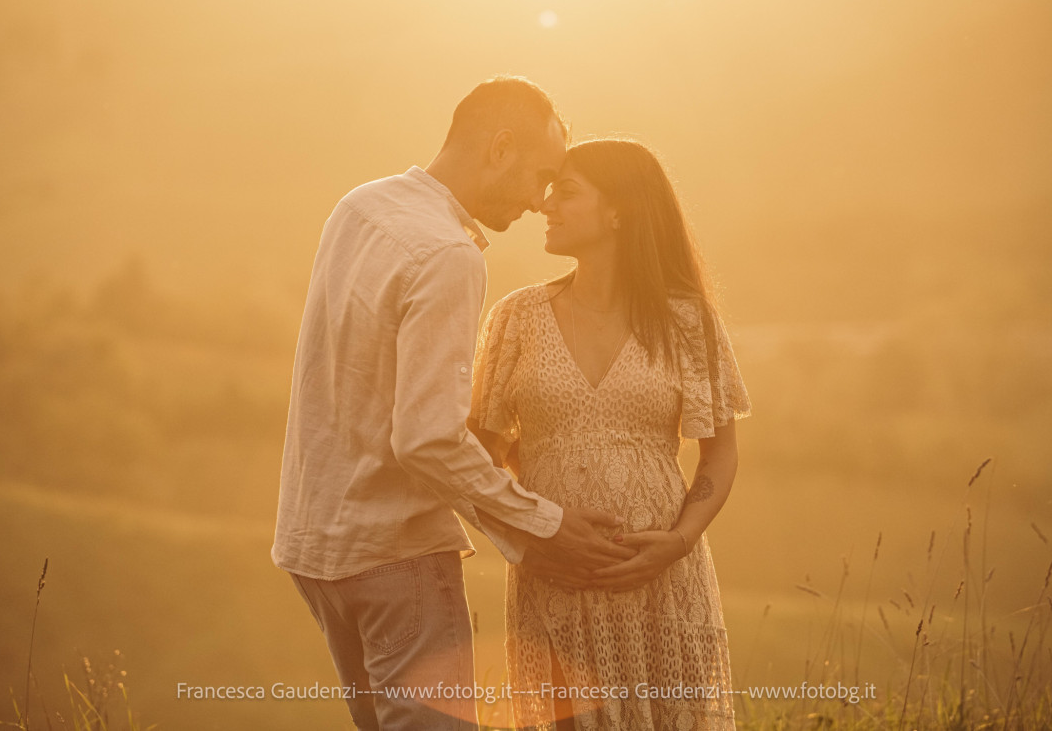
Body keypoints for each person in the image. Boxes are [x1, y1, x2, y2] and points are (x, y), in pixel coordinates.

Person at [272, 78, 634, 731]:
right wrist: (542, 522)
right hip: (393, 556)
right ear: (500, 147)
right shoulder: (447, 255)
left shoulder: (361, 206)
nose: (540, 200)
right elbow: (427, 438)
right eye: (541, 175)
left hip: (314, 549)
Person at [469, 138, 751, 730]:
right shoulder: (516, 319)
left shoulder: (686, 320)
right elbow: (480, 456)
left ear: (619, 209)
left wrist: (678, 541)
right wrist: (537, 531)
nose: (546, 204)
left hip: (663, 583)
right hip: (555, 578)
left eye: (567, 192)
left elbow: (719, 454)